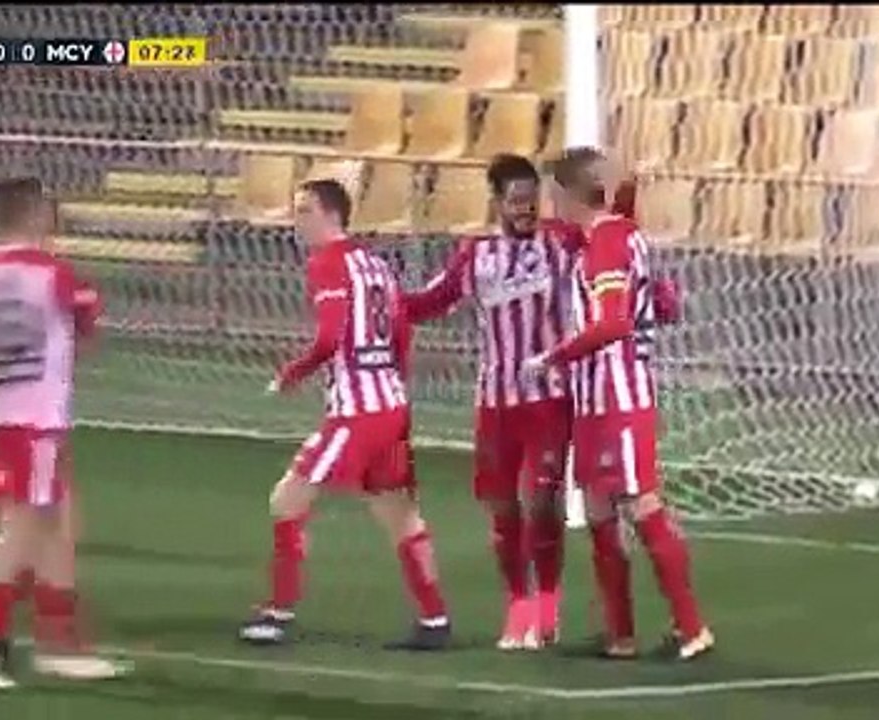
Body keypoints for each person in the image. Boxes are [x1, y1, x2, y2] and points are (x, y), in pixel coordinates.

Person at [238, 178, 452, 651]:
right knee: (399, 513)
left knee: (287, 500)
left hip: (357, 413)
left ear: (330, 214)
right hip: (390, 404)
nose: (297, 220)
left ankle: (277, 611)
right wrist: (394, 383)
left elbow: (331, 337)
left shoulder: (328, 264)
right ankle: (435, 618)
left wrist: (293, 373)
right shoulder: (375, 263)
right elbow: (401, 330)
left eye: (304, 210)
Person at [0, 177, 128, 688]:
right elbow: (88, 332)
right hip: (32, 423)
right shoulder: (56, 274)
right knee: (26, 527)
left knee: (56, 520)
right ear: (37, 217)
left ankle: (55, 637)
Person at [526, 147, 714, 661]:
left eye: (553, 194)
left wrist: (552, 357)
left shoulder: (607, 244)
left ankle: (692, 627)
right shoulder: (613, 236)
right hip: (593, 401)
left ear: (566, 194)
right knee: (598, 509)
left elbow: (613, 322)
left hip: (618, 398)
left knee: (641, 504)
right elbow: (659, 302)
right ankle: (621, 634)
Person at [401, 154, 574, 650]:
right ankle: (518, 605)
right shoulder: (476, 255)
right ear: (497, 202)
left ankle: (548, 606)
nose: (526, 210)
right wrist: (378, 298)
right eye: (516, 201)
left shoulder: (560, 244)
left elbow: (608, 244)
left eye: (531, 201)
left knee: (542, 499)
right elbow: (430, 301)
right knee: (502, 511)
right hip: (496, 400)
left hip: (549, 397)